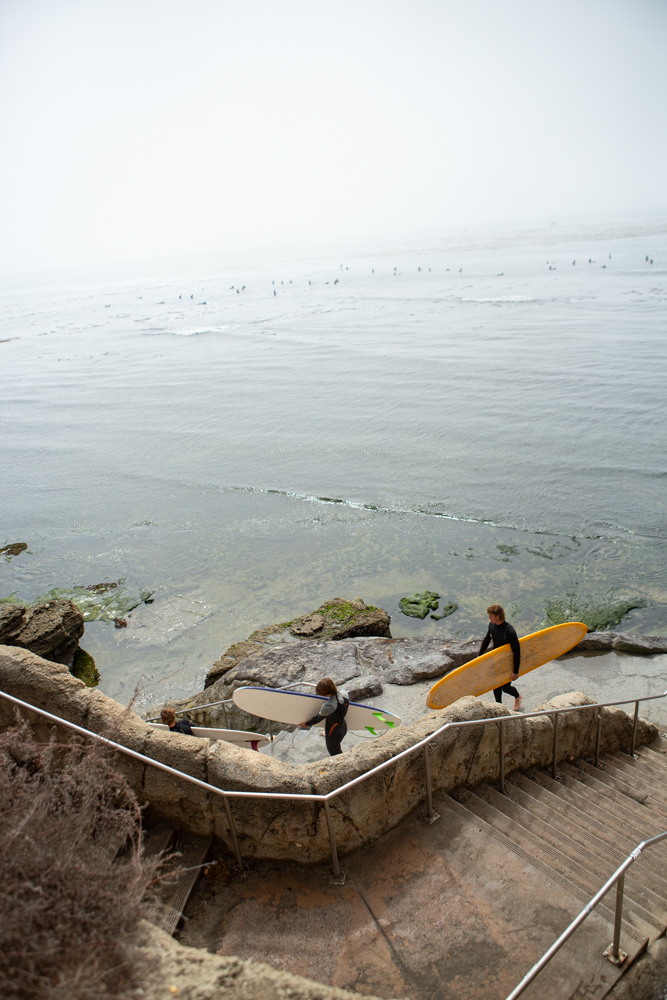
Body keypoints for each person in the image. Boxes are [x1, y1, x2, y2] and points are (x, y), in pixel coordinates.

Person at [479, 604, 522, 711]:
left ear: (498, 616)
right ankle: (500, 707)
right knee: (496, 685)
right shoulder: (491, 625)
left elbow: (517, 652)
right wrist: (479, 656)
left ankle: (517, 696)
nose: (489, 618)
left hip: (507, 662)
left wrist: (515, 671)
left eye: (491, 616)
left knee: (505, 688)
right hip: (497, 660)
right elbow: (487, 639)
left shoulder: (509, 630)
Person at [298, 678, 349, 756]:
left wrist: (307, 724)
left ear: (325, 695)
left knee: (335, 753)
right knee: (337, 749)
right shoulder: (344, 694)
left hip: (333, 733)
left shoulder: (329, 706)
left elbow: (317, 718)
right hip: (343, 726)